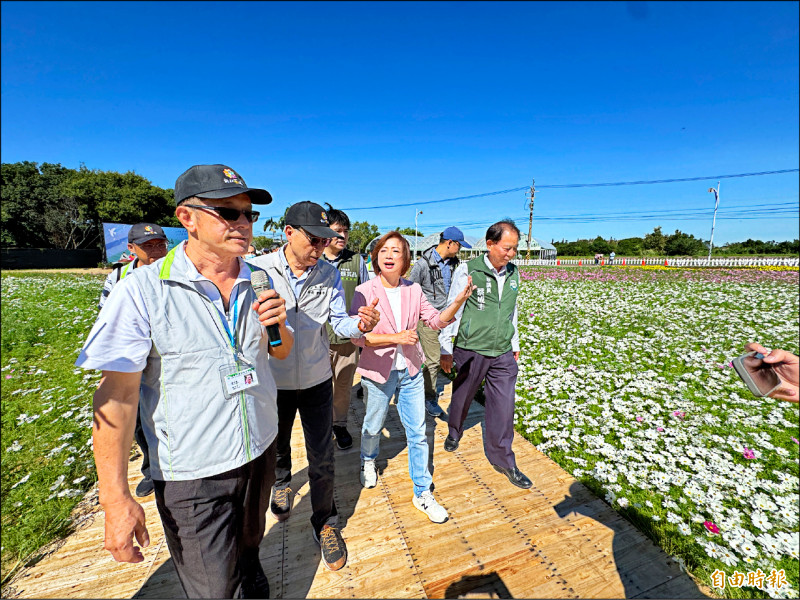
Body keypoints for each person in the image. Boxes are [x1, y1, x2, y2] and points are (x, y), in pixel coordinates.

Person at [76, 164, 292, 598]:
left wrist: (280, 327)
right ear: (186, 218)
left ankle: (251, 569)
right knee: (214, 590)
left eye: (249, 214)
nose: (244, 224)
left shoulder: (260, 279)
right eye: (228, 213)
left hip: (260, 447)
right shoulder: (140, 291)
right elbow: (115, 398)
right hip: (193, 473)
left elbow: (279, 352)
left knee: (250, 546)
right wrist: (115, 500)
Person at [248, 201, 380, 572]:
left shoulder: (327, 274)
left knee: (322, 456)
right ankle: (282, 481)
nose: (321, 248)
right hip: (273, 381)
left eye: (327, 241)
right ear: (288, 233)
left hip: (318, 378)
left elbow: (339, 323)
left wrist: (362, 325)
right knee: (276, 442)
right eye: (314, 240)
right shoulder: (257, 271)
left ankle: (325, 521)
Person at [350, 232, 475, 522]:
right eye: (384, 250)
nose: (389, 255)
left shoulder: (413, 290)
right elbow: (358, 338)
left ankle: (422, 491)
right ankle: (368, 460)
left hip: (410, 370)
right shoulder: (364, 291)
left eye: (396, 250)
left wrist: (456, 303)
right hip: (378, 371)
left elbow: (433, 320)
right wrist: (396, 336)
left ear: (406, 259)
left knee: (418, 431)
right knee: (372, 425)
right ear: (376, 257)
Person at [440, 220, 533, 489]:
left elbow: (511, 311)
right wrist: (446, 347)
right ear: (490, 244)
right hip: (471, 347)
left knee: (504, 407)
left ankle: (504, 459)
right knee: (463, 395)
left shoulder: (514, 274)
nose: (511, 254)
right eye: (507, 248)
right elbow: (453, 307)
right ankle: (454, 431)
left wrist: (514, 344)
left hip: (502, 351)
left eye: (515, 249)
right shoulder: (469, 269)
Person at [97, 223, 170, 499]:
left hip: (163, 356)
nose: (156, 251)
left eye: (160, 244)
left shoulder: (176, 273)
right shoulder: (119, 278)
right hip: (133, 358)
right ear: (131, 249)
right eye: (148, 246)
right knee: (140, 418)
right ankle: (151, 468)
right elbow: (107, 318)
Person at [320, 204, 370, 450]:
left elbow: (367, 293)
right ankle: (319, 426)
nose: (343, 236)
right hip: (317, 340)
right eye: (338, 230)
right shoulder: (314, 259)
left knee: (342, 386)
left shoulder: (356, 260)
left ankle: (339, 425)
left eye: (346, 231)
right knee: (318, 388)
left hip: (348, 340)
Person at [407, 226, 471, 417]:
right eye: (459, 245)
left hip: (450, 317)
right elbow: (412, 290)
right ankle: (429, 398)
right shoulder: (422, 265)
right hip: (428, 319)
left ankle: (424, 388)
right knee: (433, 360)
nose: (459, 250)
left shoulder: (455, 264)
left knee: (447, 355)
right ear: (450, 243)